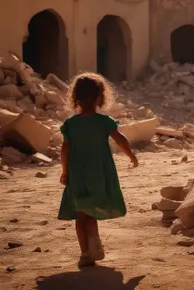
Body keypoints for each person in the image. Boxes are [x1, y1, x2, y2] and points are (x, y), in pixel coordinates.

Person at [58, 72, 138, 268]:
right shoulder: (105, 121)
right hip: (99, 172)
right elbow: (120, 139)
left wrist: (65, 171)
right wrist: (132, 156)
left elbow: (65, 149)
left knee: (80, 214)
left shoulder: (70, 124)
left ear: (75, 98)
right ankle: (94, 240)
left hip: (77, 174)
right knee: (90, 211)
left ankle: (85, 253)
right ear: (99, 98)